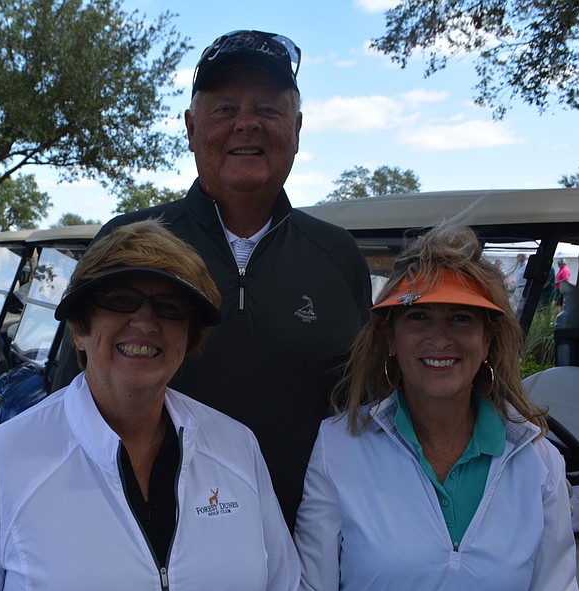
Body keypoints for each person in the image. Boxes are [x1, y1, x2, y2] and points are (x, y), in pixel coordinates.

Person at [0, 220, 305, 591]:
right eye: (120, 300)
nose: (145, 321)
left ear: (188, 336)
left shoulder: (236, 447)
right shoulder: (4, 459)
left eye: (169, 307)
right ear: (80, 329)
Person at [52, 29, 373, 531]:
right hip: (143, 544)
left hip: (304, 549)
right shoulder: (130, 244)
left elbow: (369, 408)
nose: (247, 124)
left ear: (297, 127)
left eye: (268, 109)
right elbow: (65, 401)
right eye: (225, 110)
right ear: (190, 128)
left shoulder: (337, 254)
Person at [294, 222, 579, 591]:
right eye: (418, 317)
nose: (439, 338)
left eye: (461, 318)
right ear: (390, 338)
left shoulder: (537, 460)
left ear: (487, 339)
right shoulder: (339, 445)